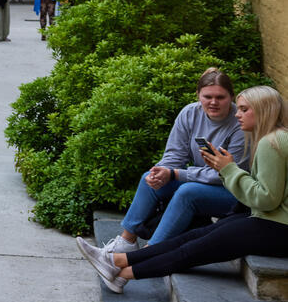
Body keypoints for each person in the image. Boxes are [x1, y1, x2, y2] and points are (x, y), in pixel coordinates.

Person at [79, 85, 288, 294]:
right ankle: (117, 259)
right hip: (269, 219)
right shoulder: (274, 139)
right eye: (239, 109)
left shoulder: (272, 143)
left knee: (193, 250)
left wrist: (228, 169)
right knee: (194, 237)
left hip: (278, 228)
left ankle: (121, 274)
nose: (237, 114)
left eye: (244, 109)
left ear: (263, 110)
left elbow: (267, 198)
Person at [80, 69, 246, 260]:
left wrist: (176, 174)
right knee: (148, 178)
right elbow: (175, 154)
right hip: (202, 181)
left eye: (220, 97)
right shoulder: (190, 113)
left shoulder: (240, 124)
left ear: (231, 97)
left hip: (234, 191)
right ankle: (126, 243)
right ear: (198, 95)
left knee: (188, 191)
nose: (213, 102)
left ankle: (146, 256)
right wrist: (161, 171)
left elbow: (225, 174)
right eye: (207, 96)